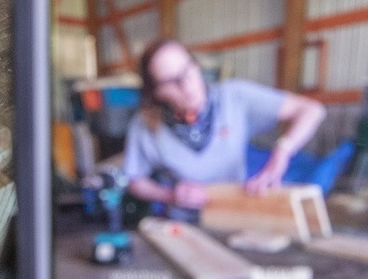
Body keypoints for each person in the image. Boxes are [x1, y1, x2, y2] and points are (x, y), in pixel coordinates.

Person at [123, 39, 327, 211]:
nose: (187, 84)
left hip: (234, 213)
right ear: (156, 92)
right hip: (185, 225)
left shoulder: (233, 97)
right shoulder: (144, 126)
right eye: (171, 81)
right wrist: (169, 195)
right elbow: (135, 181)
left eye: (188, 69)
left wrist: (282, 151)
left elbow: (312, 110)